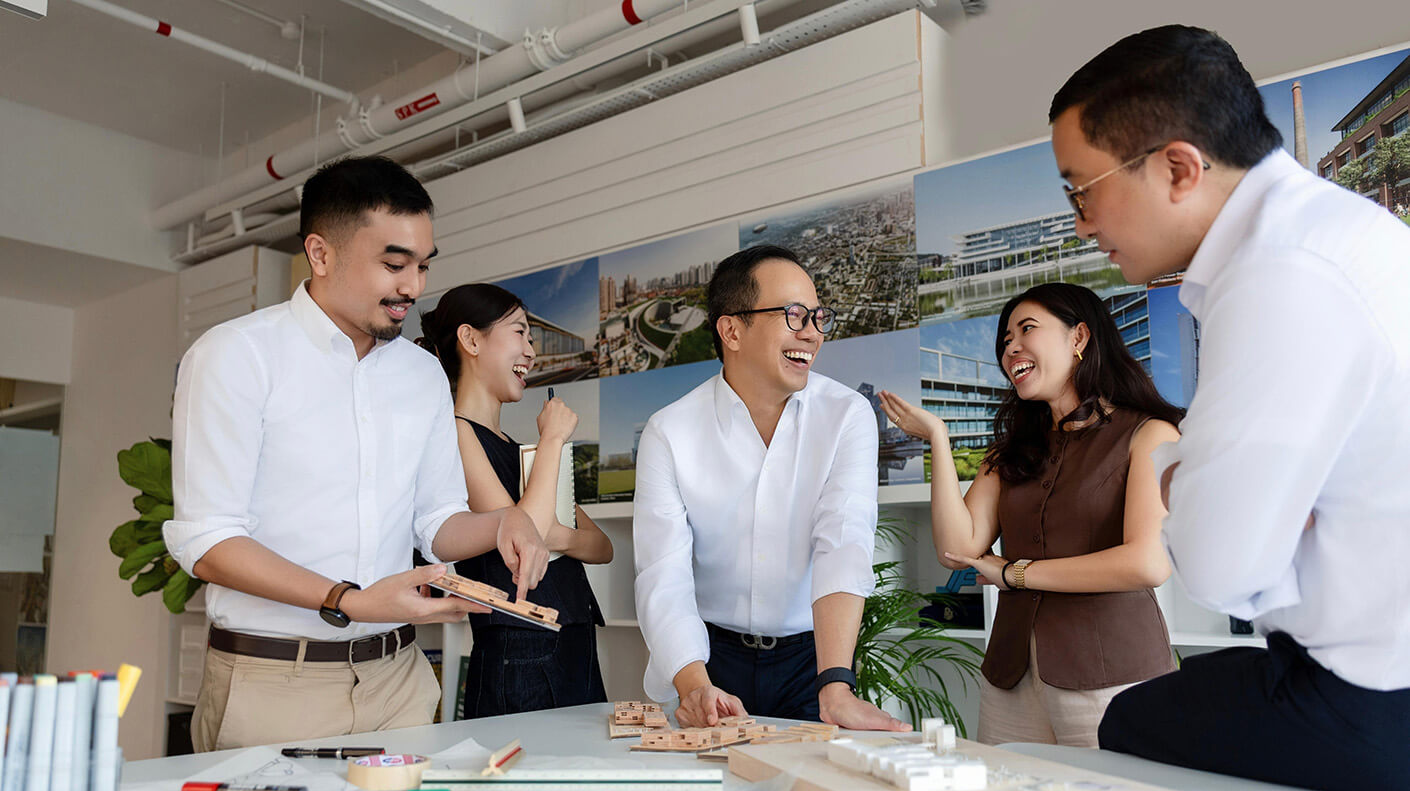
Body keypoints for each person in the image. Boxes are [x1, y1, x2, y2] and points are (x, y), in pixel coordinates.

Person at [1048, 25, 1410, 791]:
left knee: (1128, 726)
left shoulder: (1282, 273)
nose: (1081, 223)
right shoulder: (1337, 234)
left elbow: (1217, 569)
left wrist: (1185, 478)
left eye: (1081, 191)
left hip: (1375, 698)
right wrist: (1228, 496)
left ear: (1179, 168)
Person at [163, 156, 549, 753]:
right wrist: (348, 601)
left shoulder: (422, 373)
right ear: (320, 254)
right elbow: (208, 542)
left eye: (423, 265)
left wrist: (505, 522)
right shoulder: (236, 355)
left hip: (399, 682)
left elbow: (436, 521)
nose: (413, 287)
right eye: (394, 265)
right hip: (274, 685)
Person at [880, 283, 1181, 747]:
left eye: (1027, 330)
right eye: (1005, 340)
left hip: (1112, 676)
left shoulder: (1148, 434)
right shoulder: (1010, 453)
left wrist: (1014, 573)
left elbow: (1147, 563)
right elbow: (957, 550)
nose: (1011, 348)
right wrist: (939, 438)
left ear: (1079, 337)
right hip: (1011, 677)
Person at [633, 244, 909, 731]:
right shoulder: (669, 431)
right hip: (709, 660)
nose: (812, 333)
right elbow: (663, 573)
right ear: (732, 330)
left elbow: (842, 541)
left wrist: (836, 684)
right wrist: (694, 687)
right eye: (793, 315)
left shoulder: (847, 415)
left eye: (818, 317)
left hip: (812, 663)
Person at [418, 283, 612, 716]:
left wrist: (556, 534)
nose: (532, 352)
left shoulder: (520, 452)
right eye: (520, 332)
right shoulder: (456, 433)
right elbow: (527, 538)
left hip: (574, 638)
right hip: (520, 649)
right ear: (471, 340)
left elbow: (602, 547)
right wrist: (553, 441)